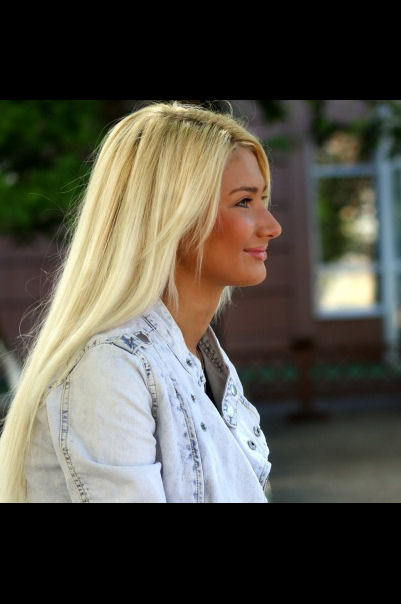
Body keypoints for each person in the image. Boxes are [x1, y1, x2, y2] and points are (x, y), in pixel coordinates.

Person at [0, 101, 282, 502]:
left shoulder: (200, 361)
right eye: (243, 201)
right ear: (170, 215)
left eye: (263, 200)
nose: (272, 226)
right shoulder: (109, 368)